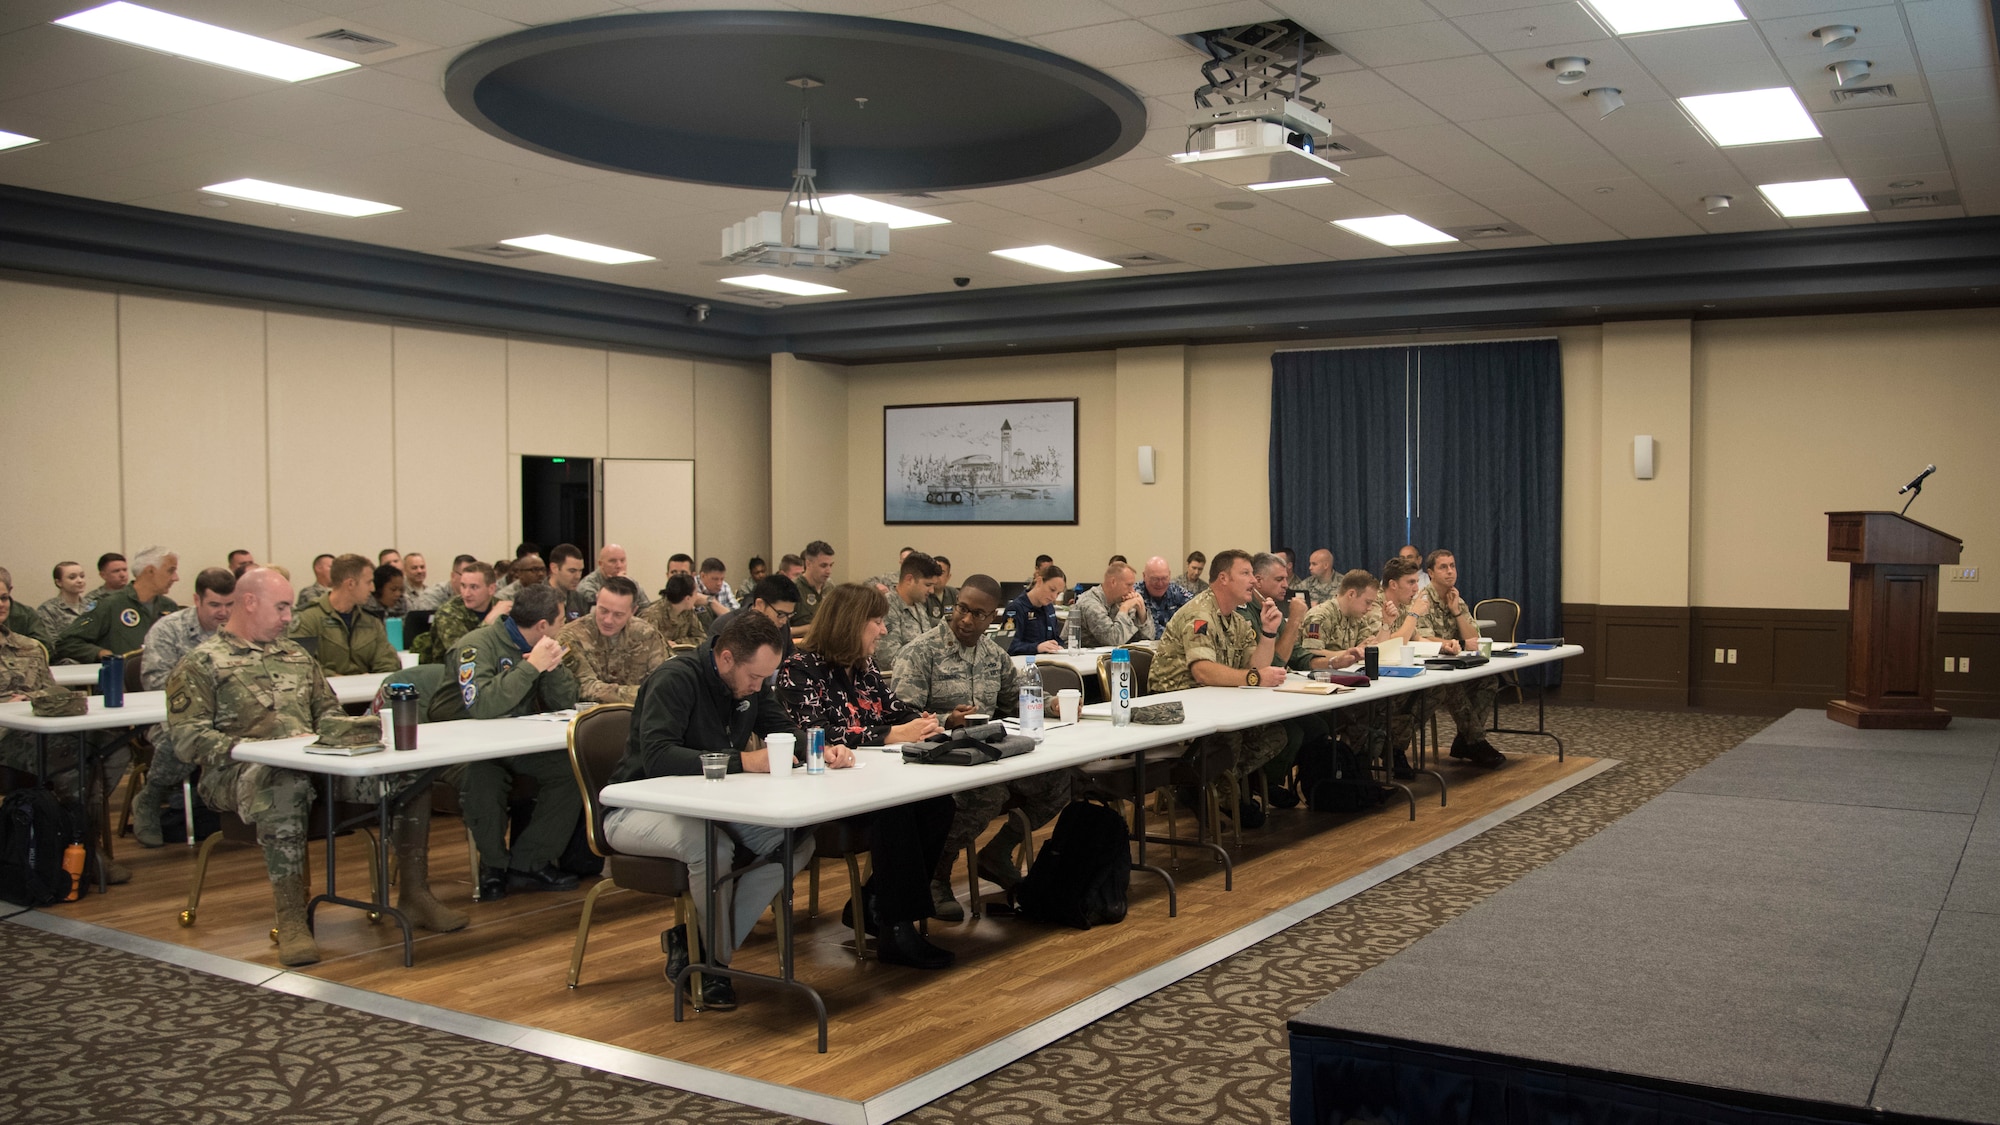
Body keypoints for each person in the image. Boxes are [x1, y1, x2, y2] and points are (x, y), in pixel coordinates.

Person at [167, 569, 466, 965]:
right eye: (282, 607)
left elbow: (328, 713)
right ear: (250, 602)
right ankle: (292, 917)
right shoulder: (203, 663)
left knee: (410, 776)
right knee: (283, 781)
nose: (289, 617)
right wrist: (248, 750)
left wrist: (357, 734)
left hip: (313, 767)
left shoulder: (295, 656)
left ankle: (415, 895)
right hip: (238, 773)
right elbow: (186, 738)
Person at [609, 612, 814, 1009]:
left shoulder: (749, 682)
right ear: (724, 659)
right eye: (754, 677)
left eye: (764, 679)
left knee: (794, 842)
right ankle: (713, 967)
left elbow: (783, 729)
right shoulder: (675, 679)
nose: (759, 687)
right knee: (713, 848)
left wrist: (819, 749)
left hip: (712, 806)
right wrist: (744, 761)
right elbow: (658, 758)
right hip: (633, 806)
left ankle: (696, 947)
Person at [774, 584, 955, 969]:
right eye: (876, 621)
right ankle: (896, 928)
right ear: (849, 624)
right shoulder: (798, 669)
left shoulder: (863, 665)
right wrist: (892, 734)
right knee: (898, 812)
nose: (884, 631)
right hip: (824, 788)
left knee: (940, 803)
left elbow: (893, 710)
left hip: (872, 778)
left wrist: (919, 723)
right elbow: (815, 734)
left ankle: (874, 903)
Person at [890, 575, 1072, 921]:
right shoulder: (921, 653)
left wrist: (1052, 706)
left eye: (978, 614)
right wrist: (947, 721)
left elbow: (1016, 696)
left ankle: (998, 851)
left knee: (1058, 779)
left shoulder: (992, 654)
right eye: (961, 609)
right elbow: (900, 718)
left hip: (985, 755)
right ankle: (936, 873)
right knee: (987, 794)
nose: (967, 620)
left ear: (993, 618)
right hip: (936, 762)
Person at [432, 584, 584, 899]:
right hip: (462, 745)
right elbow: (483, 706)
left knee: (572, 771)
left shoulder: (545, 645)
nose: (563, 626)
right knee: (483, 779)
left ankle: (528, 862)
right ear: (542, 624)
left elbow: (566, 701)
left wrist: (552, 670)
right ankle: (494, 866)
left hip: (515, 743)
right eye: (559, 620)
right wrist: (530, 667)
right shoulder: (476, 645)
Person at [1150, 549, 1289, 827]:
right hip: (1175, 703)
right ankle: (1220, 797)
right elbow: (1202, 671)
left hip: (1213, 700)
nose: (1253, 580)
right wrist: (1253, 679)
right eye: (1246, 573)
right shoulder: (1200, 614)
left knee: (1274, 734)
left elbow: (1255, 665)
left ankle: (1200, 784)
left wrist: (1269, 633)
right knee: (1231, 738)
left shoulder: (1235, 619)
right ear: (1223, 578)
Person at [130, 567, 236, 847]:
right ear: (197, 600)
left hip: (229, 713)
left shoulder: (240, 629)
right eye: (214, 604)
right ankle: (152, 796)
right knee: (185, 734)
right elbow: (156, 683)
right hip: (172, 715)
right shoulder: (169, 629)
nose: (223, 613)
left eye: (229, 604)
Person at [1292, 569, 1419, 778]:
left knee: (1383, 707)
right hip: (1320, 689)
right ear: (1351, 594)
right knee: (1371, 711)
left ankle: (1360, 767)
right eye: (1368, 602)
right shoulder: (1320, 616)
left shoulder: (1355, 617)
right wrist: (1345, 655)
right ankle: (1356, 770)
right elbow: (1310, 655)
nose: (1370, 608)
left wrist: (1386, 624)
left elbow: (1374, 648)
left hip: (1347, 685)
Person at [1413, 550, 1504, 768]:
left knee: (1488, 681)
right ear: (1431, 573)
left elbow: (1473, 638)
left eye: (1452, 566)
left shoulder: (1456, 598)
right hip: (1431, 667)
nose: (1450, 571)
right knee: (1451, 687)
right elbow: (1423, 636)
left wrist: (1456, 612)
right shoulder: (1423, 600)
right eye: (1443, 567)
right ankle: (1476, 741)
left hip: (1457, 664)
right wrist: (1449, 644)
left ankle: (1465, 741)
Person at [58, 545, 179, 663]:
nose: (176, 578)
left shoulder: (169, 607)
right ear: (150, 571)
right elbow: (67, 642)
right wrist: (100, 653)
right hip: (121, 679)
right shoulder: (110, 605)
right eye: (171, 571)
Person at [557, 576, 667, 705]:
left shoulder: (647, 634)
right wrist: (643, 694)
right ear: (597, 600)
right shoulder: (572, 636)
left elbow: (662, 683)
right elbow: (585, 688)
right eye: (603, 611)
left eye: (618, 614)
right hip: (590, 718)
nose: (608, 620)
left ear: (633, 611)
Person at [288, 554, 401, 676]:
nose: (373, 588)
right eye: (368, 582)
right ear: (351, 584)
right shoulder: (307, 618)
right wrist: (338, 678)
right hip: (325, 691)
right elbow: (300, 664)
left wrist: (371, 679)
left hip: (367, 692)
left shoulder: (371, 621)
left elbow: (389, 663)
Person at [705, 574, 799, 681]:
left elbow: (791, 659)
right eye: (780, 614)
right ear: (760, 604)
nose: (784, 620)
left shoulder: (782, 625)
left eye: (789, 615)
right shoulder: (725, 626)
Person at [417, 562, 509, 663]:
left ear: (491, 589)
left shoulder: (502, 608)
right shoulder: (448, 612)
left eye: (473, 587)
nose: (466, 593)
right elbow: (464, 653)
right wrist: (488, 622)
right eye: (463, 586)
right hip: (454, 672)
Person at [877, 551, 941, 671]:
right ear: (909, 579)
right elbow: (889, 659)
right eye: (928, 585)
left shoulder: (919, 606)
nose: (932, 591)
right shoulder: (886, 607)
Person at [1071, 560, 1156, 648]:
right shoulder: (1090, 603)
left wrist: (1141, 612)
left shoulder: (1120, 600)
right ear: (1113, 582)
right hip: (1077, 657)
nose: (1132, 590)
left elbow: (1149, 639)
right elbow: (1113, 640)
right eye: (1128, 585)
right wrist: (1124, 609)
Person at [1003, 563, 1066, 656]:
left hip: (1048, 661)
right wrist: (1037, 647)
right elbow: (1008, 646)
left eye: (1058, 593)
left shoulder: (1049, 608)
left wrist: (1059, 646)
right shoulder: (1015, 609)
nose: (1054, 597)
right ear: (1039, 581)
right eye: (1052, 590)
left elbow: (1055, 638)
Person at [576, 543, 651, 613]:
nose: (619, 566)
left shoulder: (632, 583)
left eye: (622, 560)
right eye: (613, 561)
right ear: (601, 564)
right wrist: (618, 584)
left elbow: (646, 611)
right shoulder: (587, 586)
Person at [642, 573, 708, 646]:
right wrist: (665, 644)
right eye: (696, 593)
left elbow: (702, 638)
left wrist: (679, 643)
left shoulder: (688, 612)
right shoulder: (651, 615)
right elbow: (645, 644)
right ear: (687, 599)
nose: (697, 597)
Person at [788, 541, 835, 638]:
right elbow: (781, 629)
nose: (828, 571)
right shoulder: (792, 588)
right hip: (800, 646)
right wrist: (811, 628)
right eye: (823, 566)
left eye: (831, 565)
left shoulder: (830, 587)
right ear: (808, 564)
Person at [36, 560, 91, 640]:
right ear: (59, 582)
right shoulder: (47, 610)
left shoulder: (91, 605)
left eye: (82, 576)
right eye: (72, 577)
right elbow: (52, 642)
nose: (80, 581)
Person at [1140, 556, 1192, 636]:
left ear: (1169, 575)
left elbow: (1196, 606)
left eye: (1164, 578)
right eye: (1155, 579)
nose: (1160, 584)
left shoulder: (1175, 591)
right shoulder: (1135, 595)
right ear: (1144, 576)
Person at [547, 543, 591, 622]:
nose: (578, 576)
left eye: (580, 571)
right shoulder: (536, 599)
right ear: (554, 568)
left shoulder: (579, 599)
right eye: (572, 571)